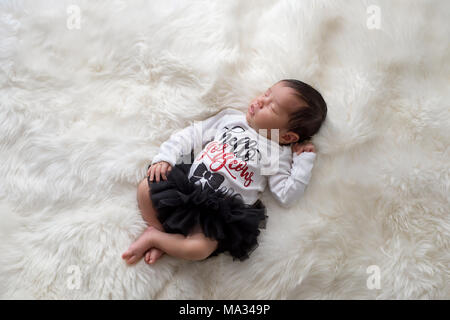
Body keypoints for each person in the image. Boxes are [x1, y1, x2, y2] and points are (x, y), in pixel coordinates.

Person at [122, 79, 327, 265]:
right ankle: (159, 231)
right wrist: (166, 157)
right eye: (266, 94)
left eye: (272, 108)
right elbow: (191, 135)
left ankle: (157, 239)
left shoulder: (277, 153)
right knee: (146, 187)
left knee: (200, 249)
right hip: (188, 187)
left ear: (288, 137)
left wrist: (303, 161)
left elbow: (286, 195)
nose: (260, 101)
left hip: (219, 213)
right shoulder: (230, 119)